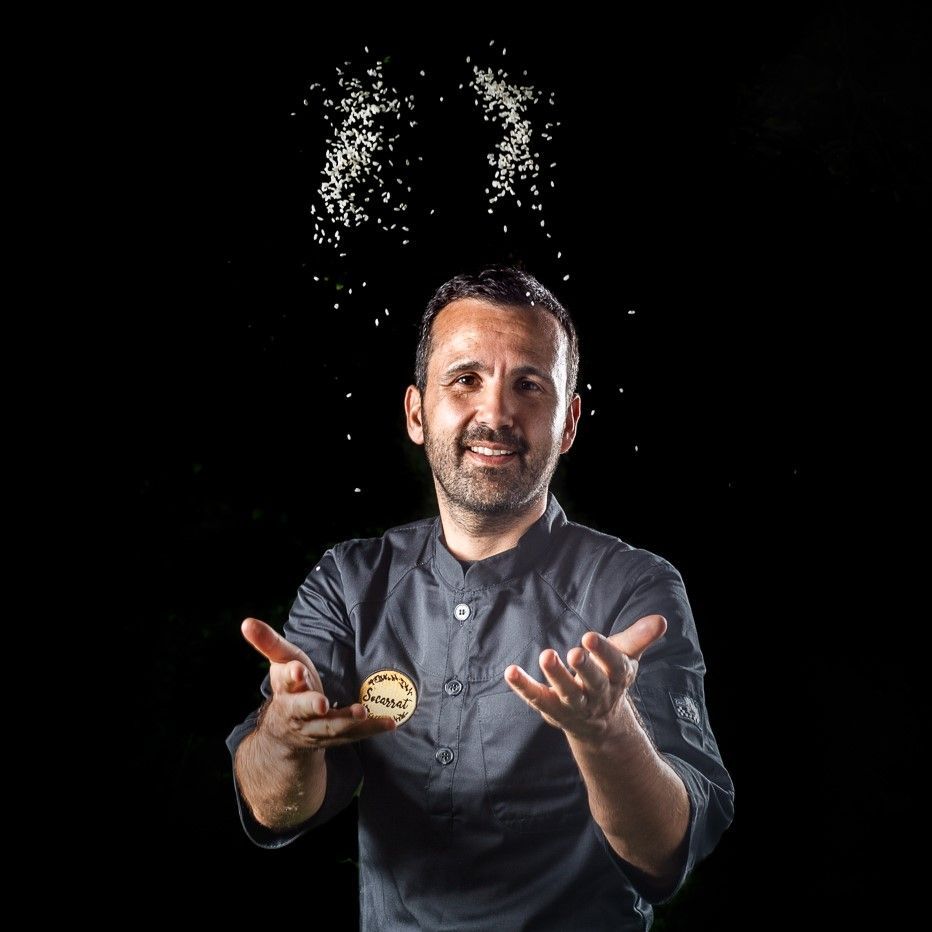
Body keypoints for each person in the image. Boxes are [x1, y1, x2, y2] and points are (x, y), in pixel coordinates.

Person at [227, 265, 734, 930]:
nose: (495, 414)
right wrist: (285, 737)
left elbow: (667, 849)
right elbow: (275, 808)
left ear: (569, 423)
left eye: (529, 385)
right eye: (465, 379)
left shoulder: (634, 588)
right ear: (417, 412)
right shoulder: (348, 584)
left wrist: (606, 731)